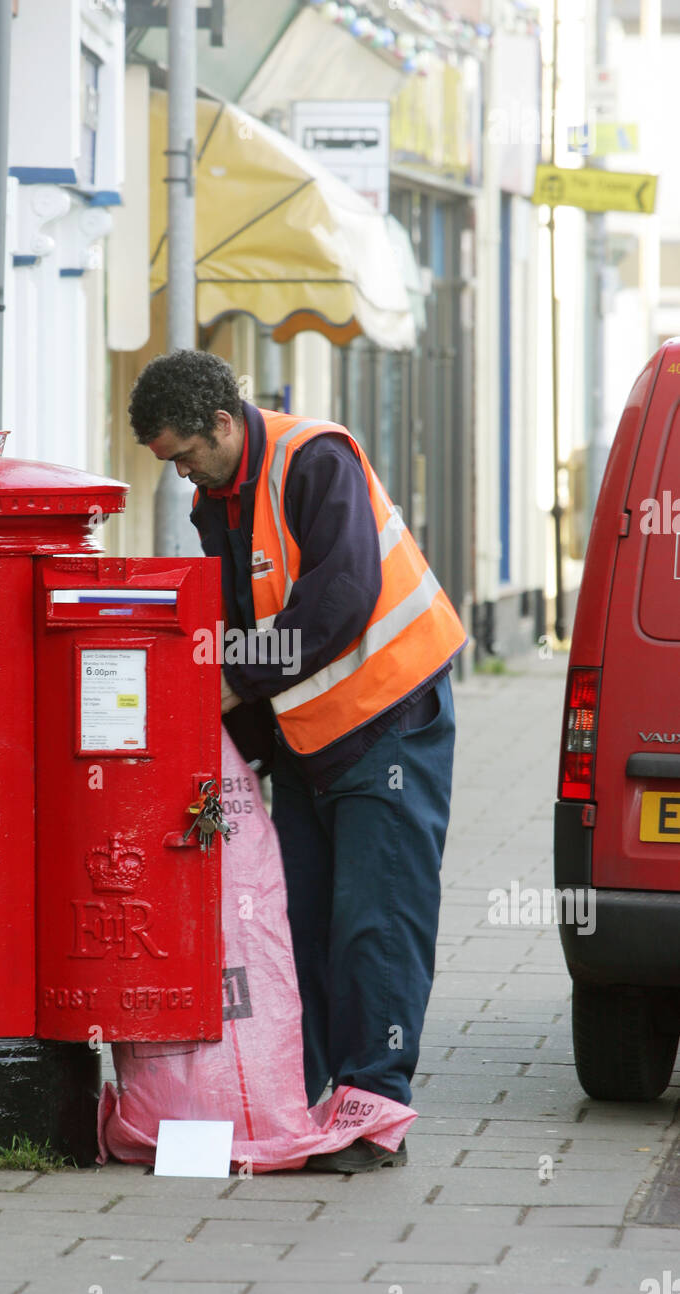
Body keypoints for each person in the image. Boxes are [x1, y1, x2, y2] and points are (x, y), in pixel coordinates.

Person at [129, 350, 466, 1172]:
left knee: (375, 925)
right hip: (312, 739)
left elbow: (341, 598)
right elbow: (239, 612)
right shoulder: (219, 494)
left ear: (220, 423)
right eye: (166, 465)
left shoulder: (315, 458)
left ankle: (375, 1114)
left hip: (391, 719)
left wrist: (234, 686)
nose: (180, 476)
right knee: (302, 925)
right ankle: (311, 1105)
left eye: (184, 455)